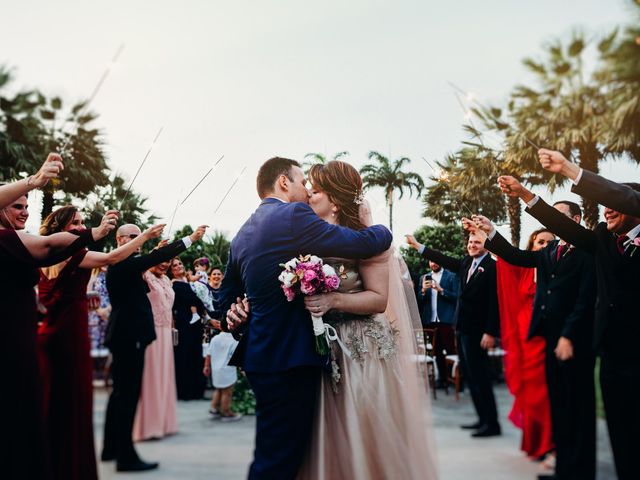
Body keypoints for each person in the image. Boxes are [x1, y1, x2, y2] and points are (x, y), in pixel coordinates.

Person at [218, 157, 393, 479]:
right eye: (302, 182)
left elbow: (224, 295)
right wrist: (380, 228)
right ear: (284, 183)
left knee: (280, 452)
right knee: (280, 460)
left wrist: (234, 312)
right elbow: (364, 243)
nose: (307, 191)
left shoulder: (242, 233)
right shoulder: (292, 215)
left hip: (264, 356)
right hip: (290, 359)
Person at [505, 149, 640, 480]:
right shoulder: (604, 240)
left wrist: (570, 170)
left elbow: (622, 196)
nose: (607, 210)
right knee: (622, 439)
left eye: (615, 204)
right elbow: (563, 226)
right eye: (605, 204)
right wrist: (525, 194)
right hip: (610, 356)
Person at [0, 152, 116, 480]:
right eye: (16, 205)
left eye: (27, 205)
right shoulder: (8, 240)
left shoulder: (18, 241)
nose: (23, 211)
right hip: (13, 343)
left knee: (28, 414)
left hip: (26, 338)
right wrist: (36, 181)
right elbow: (51, 247)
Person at [37, 206, 164, 480]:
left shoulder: (42, 253)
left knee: (63, 399)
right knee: (80, 399)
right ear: (59, 228)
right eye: (75, 224)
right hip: (71, 333)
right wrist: (145, 237)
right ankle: (77, 462)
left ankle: (66, 458)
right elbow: (111, 256)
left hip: (54, 330)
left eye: (83, 223)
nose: (81, 228)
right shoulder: (75, 254)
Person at [101, 223, 207, 472]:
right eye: (132, 237)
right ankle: (126, 456)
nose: (137, 241)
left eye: (140, 237)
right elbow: (155, 258)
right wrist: (190, 239)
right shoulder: (123, 264)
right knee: (127, 396)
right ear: (119, 240)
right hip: (130, 336)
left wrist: (157, 248)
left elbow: (154, 258)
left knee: (119, 394)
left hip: (125, 335)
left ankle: (110, 447)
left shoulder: (127, 264)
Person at [406, 231, 501, 438]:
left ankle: (492, 423)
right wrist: (418, 246)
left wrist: (490, 332)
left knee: (481, 378)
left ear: (487, 245)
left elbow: (494, 302)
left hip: (479, 332)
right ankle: (482, 419)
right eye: (470, 242)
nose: (472, 245)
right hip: (462, 328)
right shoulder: (467, 263)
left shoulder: (492, 268)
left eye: (477, 242)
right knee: (470, 376)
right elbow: (443, 259)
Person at [492, 228, 556, 465]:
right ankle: (534, 442)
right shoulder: (525, 270)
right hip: (524, 339)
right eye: (539, 242)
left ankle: (551, 445)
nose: (544, 246)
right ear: (531, 247)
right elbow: (506, 265)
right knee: (529, 394)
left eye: (550, 243)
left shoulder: (556, 271)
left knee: (544, 395)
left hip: (544, 339)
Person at [133, 258, 179, 441]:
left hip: (166, 332)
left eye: (169, 261)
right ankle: (149, 426)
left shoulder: (167, 280)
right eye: (162, 260)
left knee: (165, 376)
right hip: (151, 331)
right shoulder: (145, 276)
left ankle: (164, 422)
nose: (165, 264)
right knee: (151, 377)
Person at [416, 259, 458, 387]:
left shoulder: (451, 276)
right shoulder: (424, 278)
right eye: (431, 262)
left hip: (446, 319)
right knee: (437, 351)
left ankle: (455, 379)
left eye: (436, 261)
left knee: (450, 350)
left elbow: (456, 297)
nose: (433, 264)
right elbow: (419, 300)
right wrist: (423, 290)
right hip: (431, 320)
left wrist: (441, 290)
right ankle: (442, 380)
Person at [170, 257, 207, 400]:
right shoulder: (173, 284)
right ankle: (184, 391)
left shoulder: (191, 282)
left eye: (180, 263)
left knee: (196, 354)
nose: (178, 266)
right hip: (183, 323)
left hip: (196, 323)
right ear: (171, 270)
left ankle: (197, 390)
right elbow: (193, 300)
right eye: (174, 265)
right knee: (184, 355)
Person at [203, 330, 241, 421]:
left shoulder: (215, 339)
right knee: (227, 392)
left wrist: (206, 366)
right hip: (227, 370)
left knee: (218, 390)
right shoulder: (234, 340)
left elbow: (209, 354)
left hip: (216, 369)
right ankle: (226, 412)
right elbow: (237, 355)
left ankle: (214, 409)